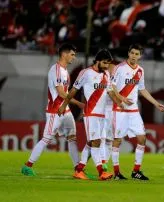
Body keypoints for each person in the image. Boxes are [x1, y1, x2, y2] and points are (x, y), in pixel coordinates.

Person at [58, 49, 126, 180]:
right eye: (105, 63)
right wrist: (64, 105)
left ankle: (79, 170)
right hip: (91, 113)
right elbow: (73, 91)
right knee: (96, 142)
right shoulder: (86, 73)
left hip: (102, 115)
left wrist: (119, 103)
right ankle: (101, 172)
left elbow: (111, 92)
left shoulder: (106, 74)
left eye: (108, 63)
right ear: (98, 61)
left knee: (91, 142)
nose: (107, 66)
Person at [21, 43, 84, 177]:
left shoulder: (65, 71)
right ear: (64, 54)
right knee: (46, 139)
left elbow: (64, 94)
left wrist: (74, 104)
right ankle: (27, 166)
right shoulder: (55, 70)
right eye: (72, 54)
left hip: (65, 110)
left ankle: (78, 171)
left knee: (72, 138)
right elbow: (61, 93)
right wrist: (79, 103)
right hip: (55, 111)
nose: (74, 57)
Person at [111, 44, 164, 180]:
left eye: (137, 54)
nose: (134, 56)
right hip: (120, 109)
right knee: (118, 140)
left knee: (142, 138)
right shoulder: (119, 68)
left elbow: (142, 89)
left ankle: (136, 171)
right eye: (132, 53)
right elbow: (111, 86)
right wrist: (122, 98)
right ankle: (117, 173)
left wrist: (156, 103)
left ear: (140, 56)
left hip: (134, 110)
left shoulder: (140, 71)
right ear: (128, 53)